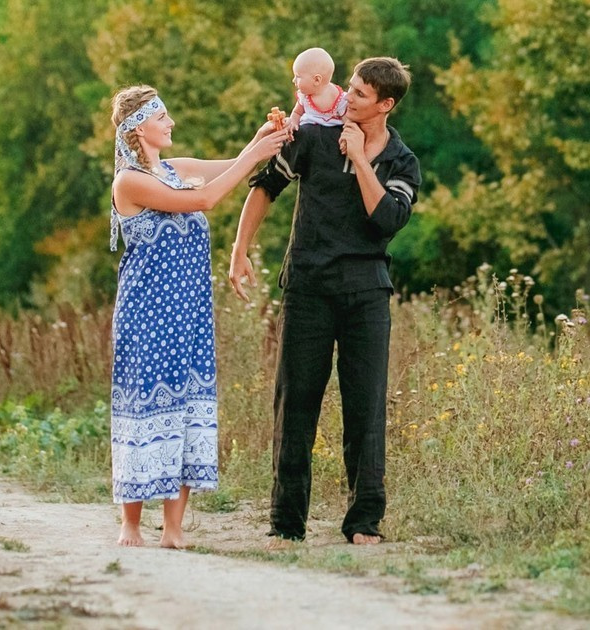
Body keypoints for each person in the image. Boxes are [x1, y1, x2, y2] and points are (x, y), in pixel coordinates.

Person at [228, 56, 420, 544]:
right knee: (295, 404)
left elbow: (388, 221)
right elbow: (265, 186)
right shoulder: (313, 136)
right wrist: (240, 249)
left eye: (358, 94)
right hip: (309, 286)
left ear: (385, 104)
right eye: (349, 88)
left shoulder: (401, 160)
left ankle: (363, 522)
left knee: (365, 407)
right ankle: (286, 524)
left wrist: (359, 159)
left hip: (366, 293)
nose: (345, 97)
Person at [107, 84, 287, 548]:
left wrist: (265, 136)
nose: (171, 123)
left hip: (190, 313)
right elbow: (206, 200)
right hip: (146, 314)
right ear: (138, 127)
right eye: (162, 116)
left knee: (187, 411)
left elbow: (230, 167)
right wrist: (256, 155)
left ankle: (172, 529)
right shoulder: (130, 182)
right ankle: (130, 524)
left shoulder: (177, 169)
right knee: (145, 409)